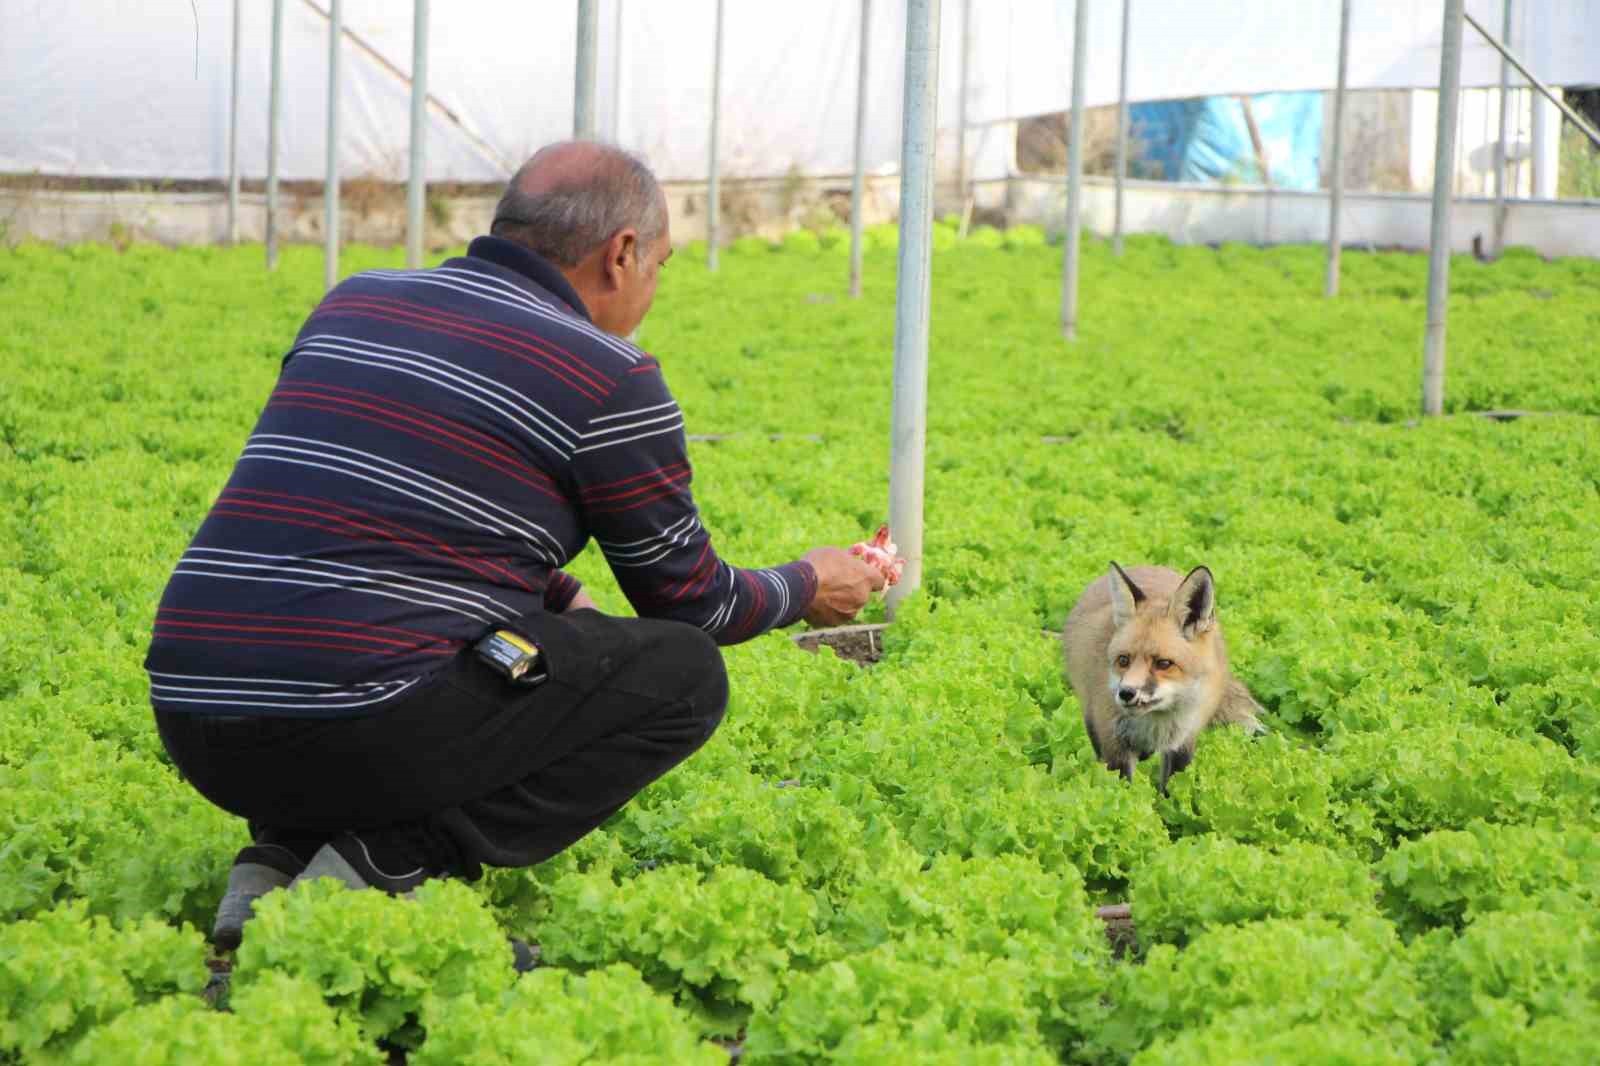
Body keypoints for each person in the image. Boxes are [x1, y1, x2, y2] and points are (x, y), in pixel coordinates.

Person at [145, 141, 885, 951]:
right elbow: (693, 604)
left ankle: (279, 863)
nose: (652, 290)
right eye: (660, 266)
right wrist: (807, 583)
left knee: (378, 648)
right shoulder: (609, 374)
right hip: (352, 725)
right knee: (680, 677)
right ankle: (385, 867)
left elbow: (381, 522)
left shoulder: (355, 300)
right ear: (622, 253)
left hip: (195, 716)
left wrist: (555, 601)